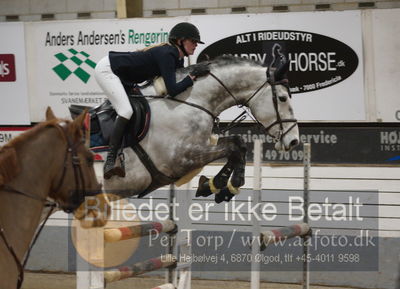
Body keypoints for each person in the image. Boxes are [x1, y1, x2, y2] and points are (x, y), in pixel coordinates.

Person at [94, 22, 210, 179]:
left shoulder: (177, 58)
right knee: (126, 110)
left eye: (197, 42)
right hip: (108, 69)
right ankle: (110, 160)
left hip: (124, 77)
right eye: (193, 41)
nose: (196, 45)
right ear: (180, 41)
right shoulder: (168, 54)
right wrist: (193, 76)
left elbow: (172, 92)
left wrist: (195, 74)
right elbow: (173, 90)